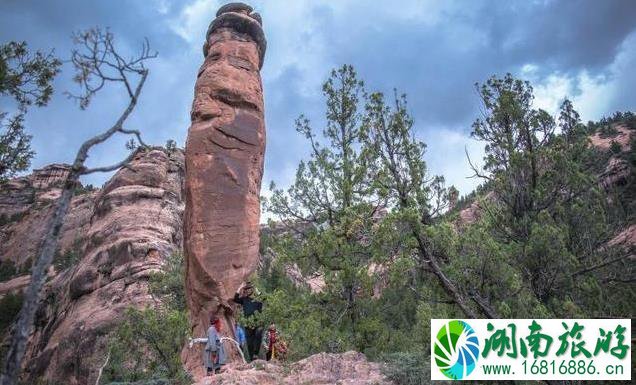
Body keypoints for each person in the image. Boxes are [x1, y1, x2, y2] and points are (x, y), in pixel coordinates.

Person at [232, 281, 263, 361]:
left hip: (257, 322)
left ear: (252, 290)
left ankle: (256, 353)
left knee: (259, 332)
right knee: (249, 343)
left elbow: (263, 298)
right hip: (248, 323)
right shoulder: (245, 300)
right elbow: (235, 299)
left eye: (249, 289)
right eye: (246, 289)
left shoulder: (258, 300)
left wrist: (255, 288)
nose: (248, 291)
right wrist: (240, 288)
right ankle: (252, 359)